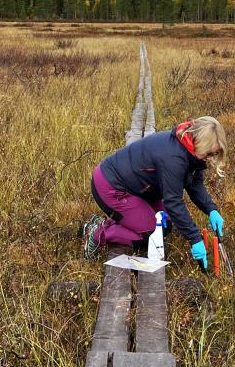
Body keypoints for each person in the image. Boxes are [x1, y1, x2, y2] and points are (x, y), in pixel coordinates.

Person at [83, 116, 226, 273]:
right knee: (149, 234)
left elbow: (195, 185)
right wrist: (195, 238)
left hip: (139, 189)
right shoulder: (174, 158)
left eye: (213, 154)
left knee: (165, 225)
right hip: (111, 187)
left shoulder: (190, 149)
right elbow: (173, 202)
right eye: (209, 153)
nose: (210, 158)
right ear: (200, 143)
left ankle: (122, 220)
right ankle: (98, 232)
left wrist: (211, 209)